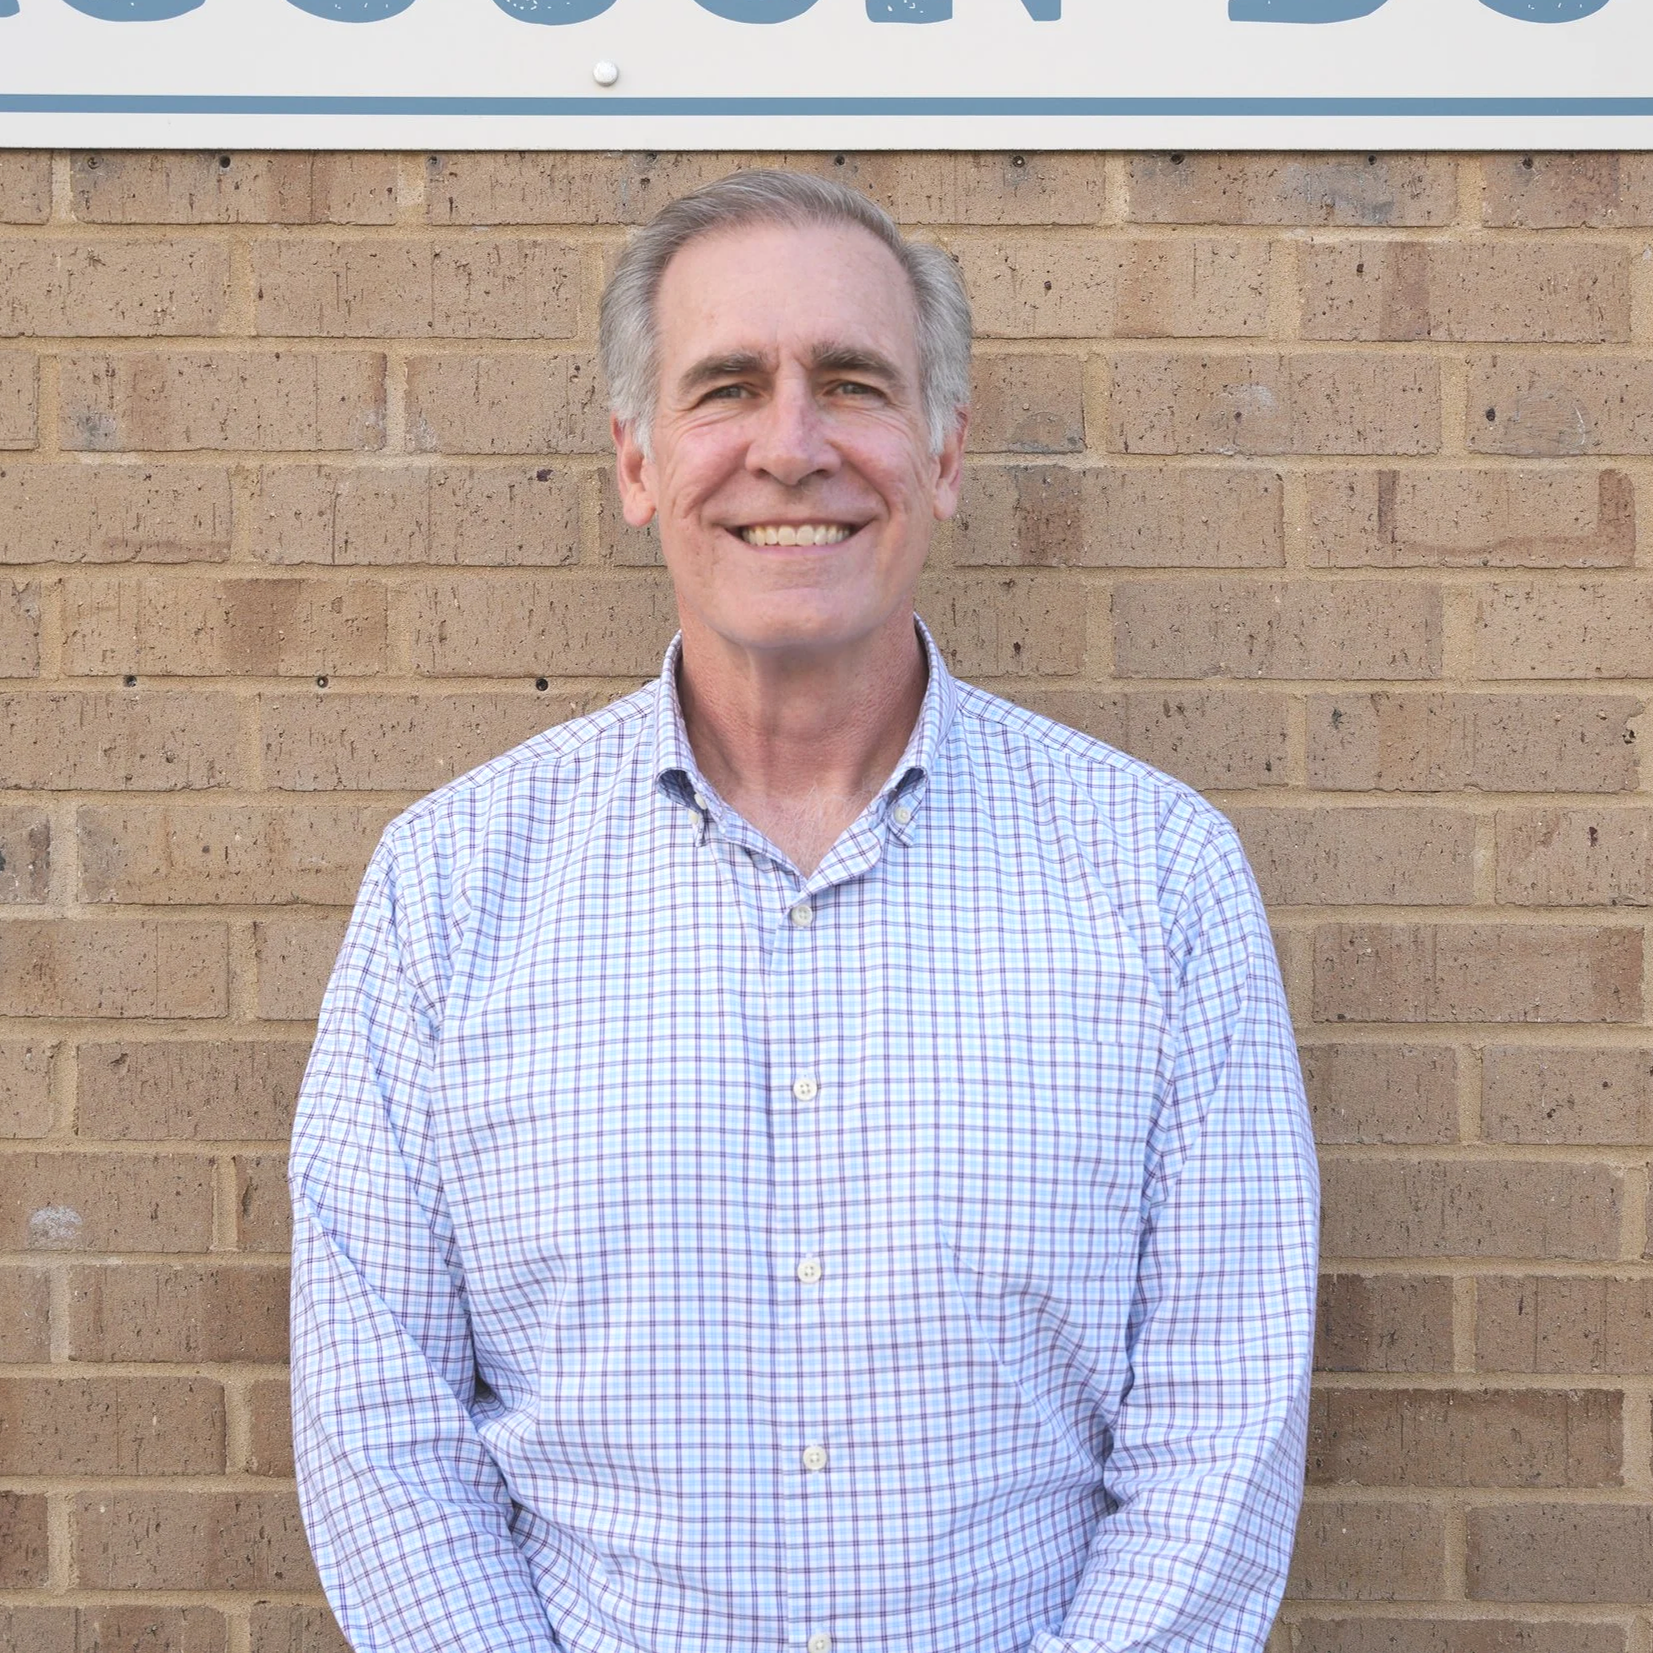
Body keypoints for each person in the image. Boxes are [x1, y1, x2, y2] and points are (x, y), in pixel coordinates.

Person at [288, 167, 1319, 1653]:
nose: (792, 446)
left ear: (945, 454)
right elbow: (376, 1420)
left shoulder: (1157, 877)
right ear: (637, 461)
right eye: (726, 388)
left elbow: (1224, 1422)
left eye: (852, 383)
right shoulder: (452, 889)